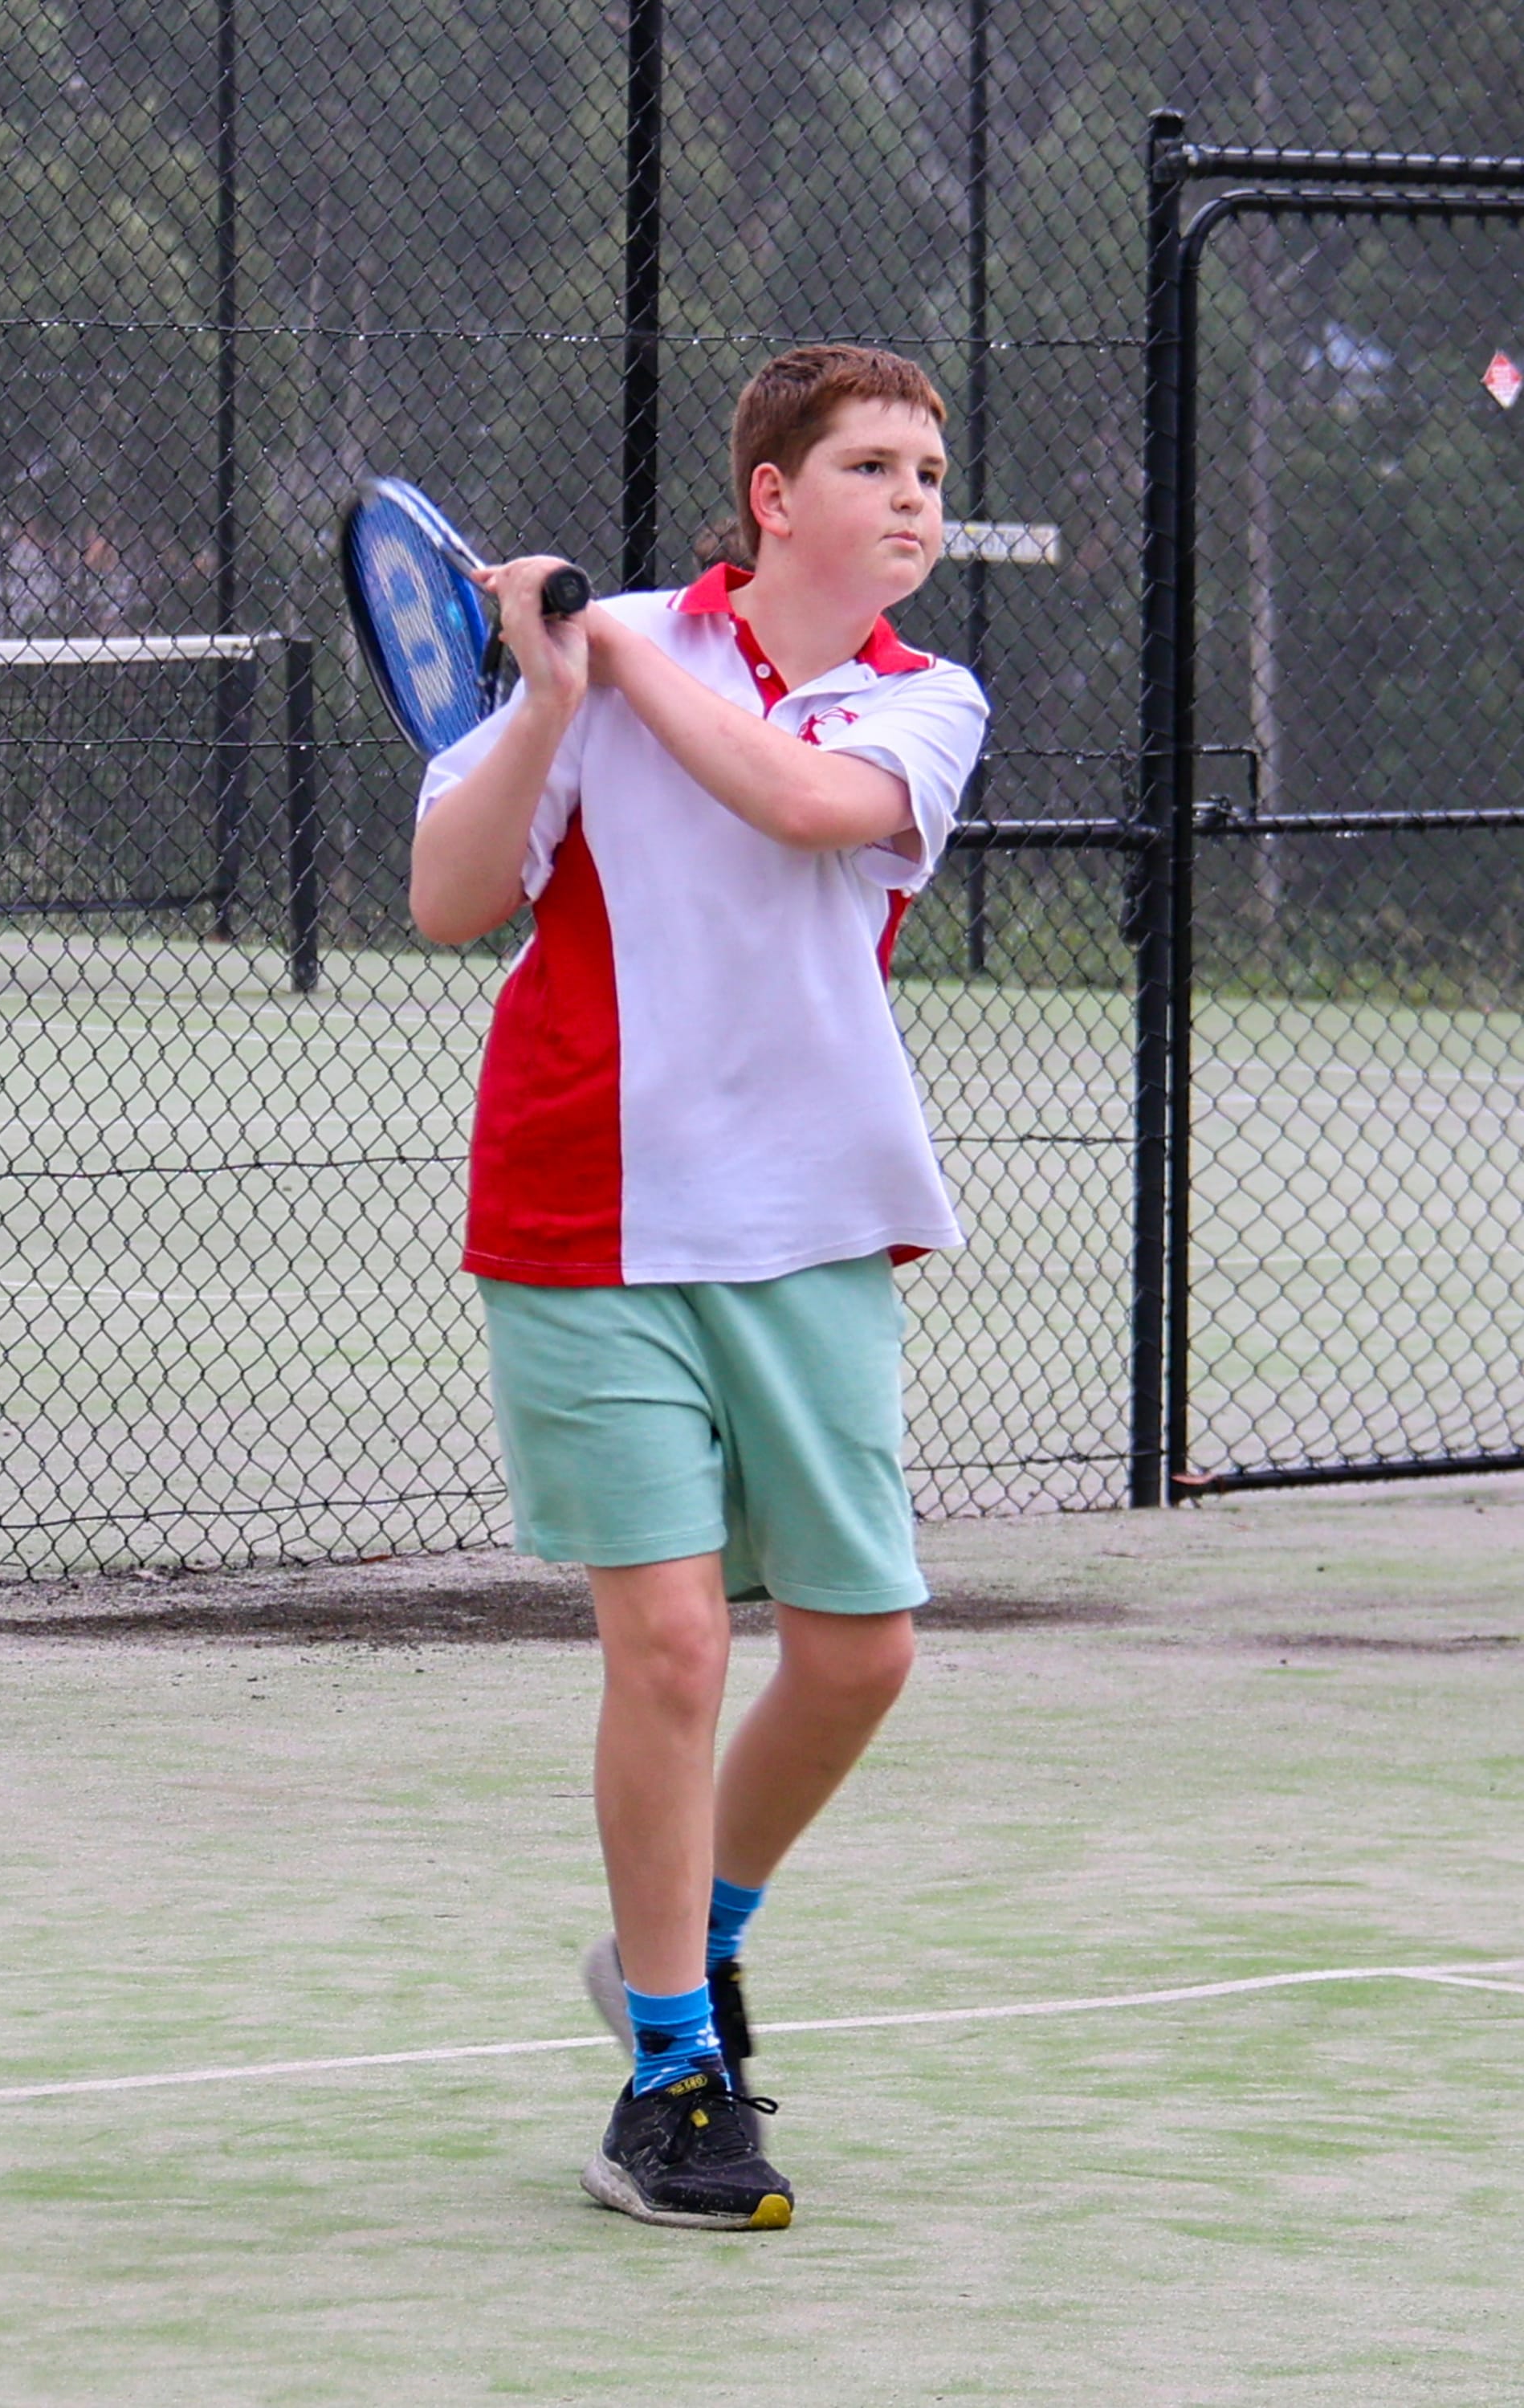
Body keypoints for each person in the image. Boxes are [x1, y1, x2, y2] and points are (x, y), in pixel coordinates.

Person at [409, 344, 989, 2231]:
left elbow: (796, 804)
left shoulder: (924, 701)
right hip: (585, 1213)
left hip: (814, 1223)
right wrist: (546, 700)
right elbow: (450, 897)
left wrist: (606, 656)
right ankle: (670, 2077)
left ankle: (691, 1939)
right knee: (668, 1645)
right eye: (873, 466)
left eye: (927, 472)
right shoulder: (609, 656)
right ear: (773, 495)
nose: (913, 500)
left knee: (859, 1651)